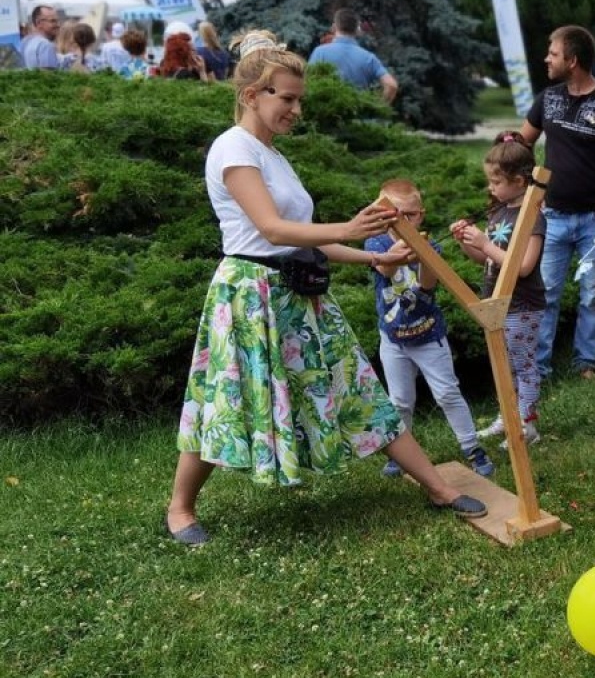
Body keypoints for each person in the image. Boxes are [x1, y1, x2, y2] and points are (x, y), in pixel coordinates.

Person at [165, 30, 485, 546]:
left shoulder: (274, 155)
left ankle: (438, 488)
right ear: (252, 96)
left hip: (300, 293)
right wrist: (348, 228)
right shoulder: (233, 148)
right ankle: (180, 509)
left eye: (299, 99)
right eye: (286, 98)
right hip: (251, 296)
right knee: (226, 403)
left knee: (358, 389)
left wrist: (375, 254)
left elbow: (308, 240)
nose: (296, 109)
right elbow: (271, 230)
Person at [519, 24, 595, 383]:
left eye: (552, 53)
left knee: (593, 295)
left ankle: (585, 362)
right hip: (551, 217)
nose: (546, 59)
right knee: (547, 293)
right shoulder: (548, 98)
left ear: (572, 60)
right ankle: (538, 368)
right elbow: (521, 142)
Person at [365, 178, 495, 479]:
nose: (403, 222)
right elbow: (385, 269)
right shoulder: (376, 243)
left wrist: (423, 252)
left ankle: (472, 447)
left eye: (410, 216)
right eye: (396, 215)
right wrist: (401, 250)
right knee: (400, 401)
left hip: (428, 337)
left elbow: (427, 285)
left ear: (420, 215)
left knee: (447, 393)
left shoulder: (430, 245)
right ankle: (402, 455)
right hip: (393, 340)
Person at [450, 132, 548, 447]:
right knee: (502, 365)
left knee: (523, 365)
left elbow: (522, 267)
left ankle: (527, 424)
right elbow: (487, 259)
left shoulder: (532, 217)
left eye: (496, 182)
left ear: (519, 181)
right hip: (496, 301)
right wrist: (469, 243)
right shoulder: (498, 212)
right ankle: (508, 416)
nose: (491, 188)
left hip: (522, 306)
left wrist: (485, 242)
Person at [307, 8, 399, 103]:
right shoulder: (368, 58)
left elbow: (307, 82)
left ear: (334, 27)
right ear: (357, 30)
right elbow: (391, 85)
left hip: (326, 114)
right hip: (359, 115)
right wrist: (377, 108)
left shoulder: (320, 52)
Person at [21, 6, 62, 70]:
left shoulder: (25, 41)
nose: (58, 25)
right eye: (53, 21)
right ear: (39, 23)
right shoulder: (46, 45)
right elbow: (49, 76)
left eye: (57, 21)